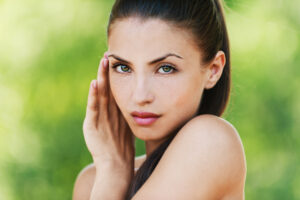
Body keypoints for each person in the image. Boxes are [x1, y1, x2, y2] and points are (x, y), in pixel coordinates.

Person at [73, 0, 247, 199]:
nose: (140, 96)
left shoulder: (212, 141)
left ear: (213, 70)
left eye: (166, 68)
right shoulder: (92, 181)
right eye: (123, 67)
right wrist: (110, 170)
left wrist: (113, 176)